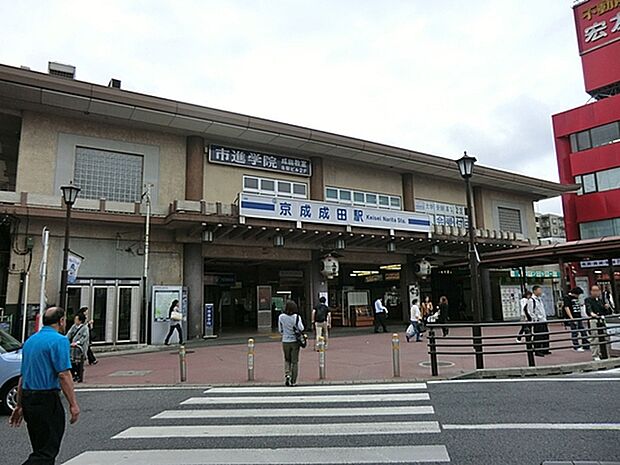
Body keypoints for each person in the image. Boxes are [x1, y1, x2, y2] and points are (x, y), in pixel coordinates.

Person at [9, 307, 80, 465]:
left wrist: (19, 405)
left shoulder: (30, 341)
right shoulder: (60, 340)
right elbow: (63, 374)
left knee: (39, 447)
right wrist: (73, 404)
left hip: (28, 398)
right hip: (46, 398)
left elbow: (23, 375)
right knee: (46, 452)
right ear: (61, 321)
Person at [278, 300, 304, 386]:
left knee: (287, 359)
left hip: (285, 341)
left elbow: (280, 330)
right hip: (295, 341)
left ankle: (287, 375)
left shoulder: (281, 317)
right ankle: (293, 381)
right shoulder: (297, 317)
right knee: (295, 361)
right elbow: (301, 328)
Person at [585, 285, 612, 361]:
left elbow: (607, 311)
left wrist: (607, 307)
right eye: (594, 291)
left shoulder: (601, 300)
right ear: (591, 291)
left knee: (606, 337)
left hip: (602, 319)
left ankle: (605, 353)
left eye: (597, 291)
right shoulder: (588, 300)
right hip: (594, 320)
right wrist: (592, 313)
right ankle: (595, 354)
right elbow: (588, 308)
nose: (596, 292)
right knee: (595, 338)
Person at [562, 287, 589, 352]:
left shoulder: (576, 298)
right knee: (574, 332)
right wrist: (571, 318)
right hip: (573, 317)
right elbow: (566, 307)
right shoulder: (567, 297)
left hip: (578, 316)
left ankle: (585, 344)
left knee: (583, 331)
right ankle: (576, 346)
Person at [527, 285, 551, 357]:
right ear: (534, 291)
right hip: (538, 321)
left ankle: (545, 349)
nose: (540, 292)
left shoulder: (539, 299)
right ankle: (538, 350)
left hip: (543, 320)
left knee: (545, 335)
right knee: (538, 336)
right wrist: (535, 319)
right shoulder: (532, 300)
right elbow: (531, 311)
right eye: (539, 290)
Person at [66, 312, 90, 383]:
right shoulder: (73, 326)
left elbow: (85, 337)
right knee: (72, 361)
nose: (75, 320)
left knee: (79, 362)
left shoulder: (85, 328)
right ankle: (74, 375)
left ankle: (79, 376)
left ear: (80, 320)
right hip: (73, 348)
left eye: (76, 319)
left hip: (80, 347)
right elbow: (69, 334)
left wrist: (78, 343)